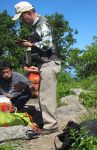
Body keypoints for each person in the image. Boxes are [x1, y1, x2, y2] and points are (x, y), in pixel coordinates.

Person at [13, 1, 61, 134]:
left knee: (47, 96)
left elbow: (47, 44)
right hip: (45, 64)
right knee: (44, 96)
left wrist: (30, 44)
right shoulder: (37, 25)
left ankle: (51, 125)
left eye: (22, 17)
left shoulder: (42, 23)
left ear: (29, 12)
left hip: (49, 63)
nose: (22, 20)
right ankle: (48, 122)